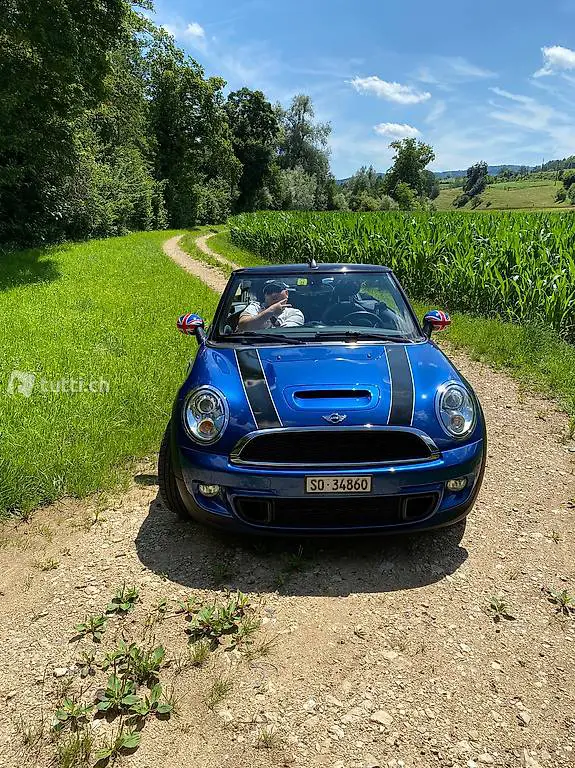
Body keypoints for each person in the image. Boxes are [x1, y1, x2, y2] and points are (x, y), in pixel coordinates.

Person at [237, 280, 304, 330]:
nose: (273, 295)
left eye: (277, 290)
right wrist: (270, 311)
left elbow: (285, 335)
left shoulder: (294, 313)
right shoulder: (256, 307)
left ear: (286, 293)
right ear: (265, 296)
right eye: (269, 292)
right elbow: (242, 325)